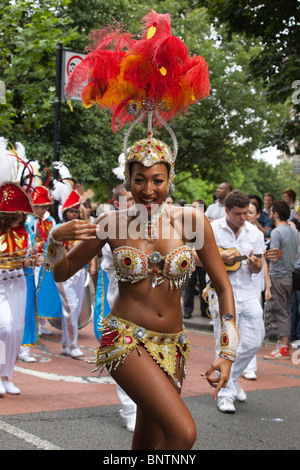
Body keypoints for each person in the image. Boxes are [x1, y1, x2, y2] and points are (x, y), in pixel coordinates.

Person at [47, 10, 237, 450]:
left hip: (174, 343)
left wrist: (227, 354)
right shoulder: (111, 222)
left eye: (157, 180)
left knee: (147, 442)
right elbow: (61, 272)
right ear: (128, 180)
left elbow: (223, 288)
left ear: (170, 179)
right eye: (139, 179)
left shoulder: (193, 222)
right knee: (183, 433)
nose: (148, 189)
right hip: (124, 338)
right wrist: (57, 239)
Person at [208, 190, 266, 413]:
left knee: (254, 340)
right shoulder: (212, 230)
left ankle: (229, 380)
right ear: (227, 211)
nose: (244, 217)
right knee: (225, 344)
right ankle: (225, 394)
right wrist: (218, 257)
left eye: (246, 213)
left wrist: (254, 265)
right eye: (238, 214)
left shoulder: (255, 233)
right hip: (223, 293)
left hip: (249, 293)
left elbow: (259, 266)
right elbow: (199, 259)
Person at [94, 184, 137, 432]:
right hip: (120, 306)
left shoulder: (152, 224)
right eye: (129, 199)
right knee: (123, 358)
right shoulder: (110, 226)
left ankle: (145, 407)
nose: (135, 202)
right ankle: (128, 410)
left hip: (149, 309)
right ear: (117, 203)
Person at [54, 190, 87, 358]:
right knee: (71, 307)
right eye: (71, 211)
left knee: (74, 308)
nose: (74, 214)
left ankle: (66, 345)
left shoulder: (82, 228)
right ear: (65, 212)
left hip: (80, 272)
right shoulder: (59, 229)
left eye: (76, 211)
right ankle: (72, 344)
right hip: (64, 272)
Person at [264, 200, 299, 359]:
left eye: (271, 212)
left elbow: (273, 256)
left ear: (276, 214)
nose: (270, 215)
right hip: (289, 276)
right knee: (286, 310)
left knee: (279, 311)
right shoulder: (294, 231)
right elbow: (296, 254)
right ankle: (283, 345)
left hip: (278, 276)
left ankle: (283, 347)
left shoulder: (277, 232)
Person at [242, 200, 272, 380]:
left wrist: (268, 287)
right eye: (245, 212)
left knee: (255, 330)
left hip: (254, 287)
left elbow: (264, 263)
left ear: (258, 215)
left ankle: (250, 366)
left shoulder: (257, 235)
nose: (247, 216)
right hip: (236, 288)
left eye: (250, 213)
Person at [183, 199, 207, 319]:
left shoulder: (207, 225)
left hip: (203, 259)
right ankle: (187, 310)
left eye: (196, 207)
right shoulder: (186, 224)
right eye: (191, 207)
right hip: (190, 257)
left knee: (204, 283)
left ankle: (205, 309)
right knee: (189, 285)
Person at [289, 218, 300, 350]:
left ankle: (297, 335)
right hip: (292, 275)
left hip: (298, 274)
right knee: (292, 308)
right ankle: (293, 336)